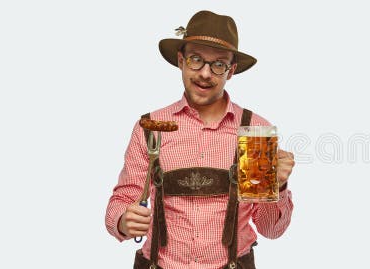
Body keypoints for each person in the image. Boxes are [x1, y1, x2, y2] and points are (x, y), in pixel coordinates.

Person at [104, 10, 295, 269]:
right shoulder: (151, 128)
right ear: (181, 61)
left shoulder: (253, 132)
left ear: (231, 70)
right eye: (196, 59)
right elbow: (121, 202)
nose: (205, 73)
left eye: (218, 64)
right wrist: (123, 221)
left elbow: (270, 229)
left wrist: (278, 187)